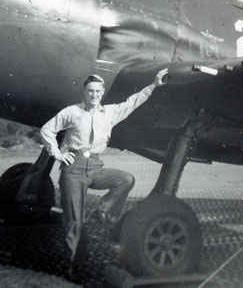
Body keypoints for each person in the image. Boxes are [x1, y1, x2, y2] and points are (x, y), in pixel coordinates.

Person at [39, 68, 168, 274]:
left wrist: (153, 85)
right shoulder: (71, 112)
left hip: (96, 167)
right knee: (74, 222)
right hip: (73, 170)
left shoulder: (109, 112)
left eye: (98, 92)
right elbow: (47, 129)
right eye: (90, 91)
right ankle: (74, 267)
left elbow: (132, 103)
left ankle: (103, 211)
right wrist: (57, 154)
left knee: (125, 179)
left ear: (102, 92)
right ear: (84, 92)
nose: (94, 95)